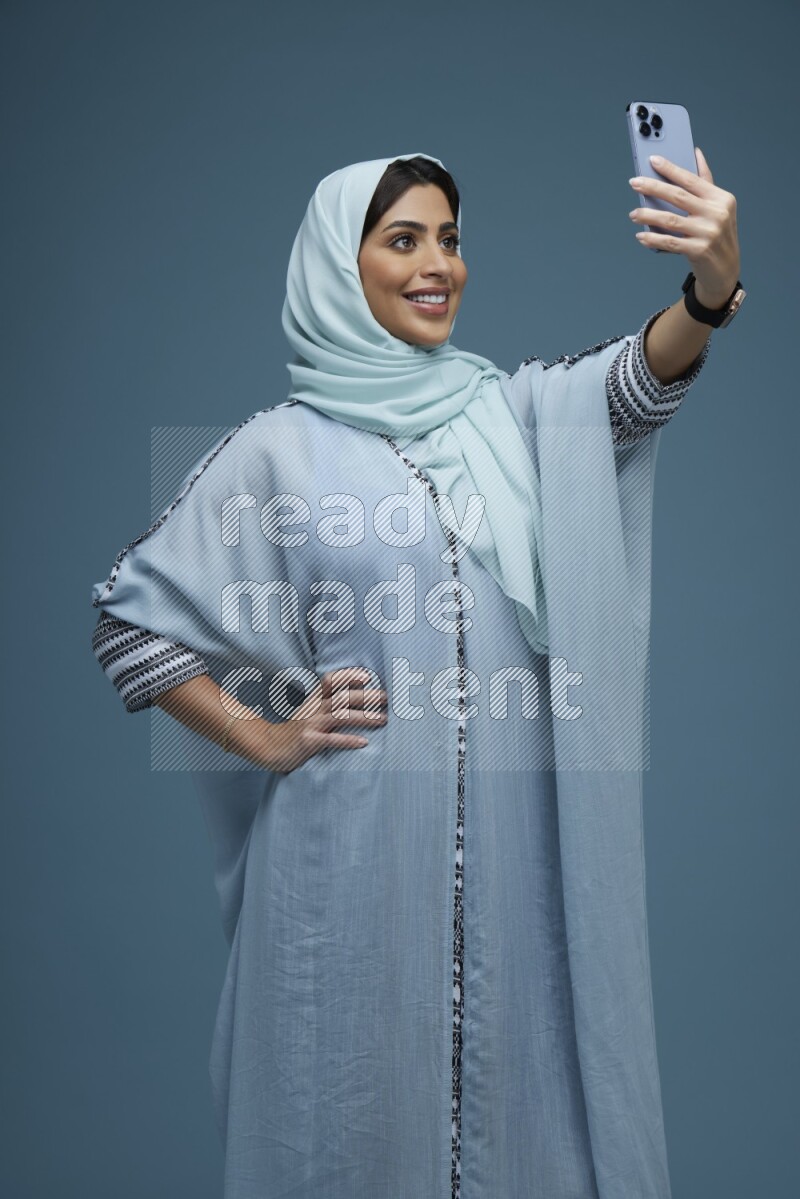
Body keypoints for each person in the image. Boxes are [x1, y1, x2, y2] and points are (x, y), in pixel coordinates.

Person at [90, 150, 741, 1198]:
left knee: (533, 1136)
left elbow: (632, 387)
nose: (439, 263)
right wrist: (262, 735)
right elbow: (129, 616)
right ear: (336, 266)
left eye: (449, 238)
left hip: (523, 884)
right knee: (345, 1134)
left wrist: (708, 290)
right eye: (403, 239)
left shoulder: (513, 418)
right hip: (342, 881)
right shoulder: (277, 453)